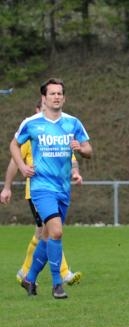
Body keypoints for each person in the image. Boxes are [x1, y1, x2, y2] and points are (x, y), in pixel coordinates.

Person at [9, 78, 92, 299]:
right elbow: (14, 145)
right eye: (52, 93)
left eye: (59, 93)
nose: (56, 97)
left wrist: (80, 149)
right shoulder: (32, 123)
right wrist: (22, 166)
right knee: (56, 231)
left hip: (63, 188)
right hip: (41, 188)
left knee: (47, 237)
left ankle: (29, 279)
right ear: (44, 98)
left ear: (64, 98)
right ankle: (57, 284)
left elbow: (88, 149)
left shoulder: (73, 123)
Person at [1, 99, 83, 286]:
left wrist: (76, 173)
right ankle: (62, 274)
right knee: (52, 232)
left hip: (59, 191)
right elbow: (14, 162)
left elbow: (72, 158)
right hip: (38, 192)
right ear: (39, 109)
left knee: (44, 233)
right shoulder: (32, 134)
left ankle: (27, 275)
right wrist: (7, 187)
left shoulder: (61, 132)